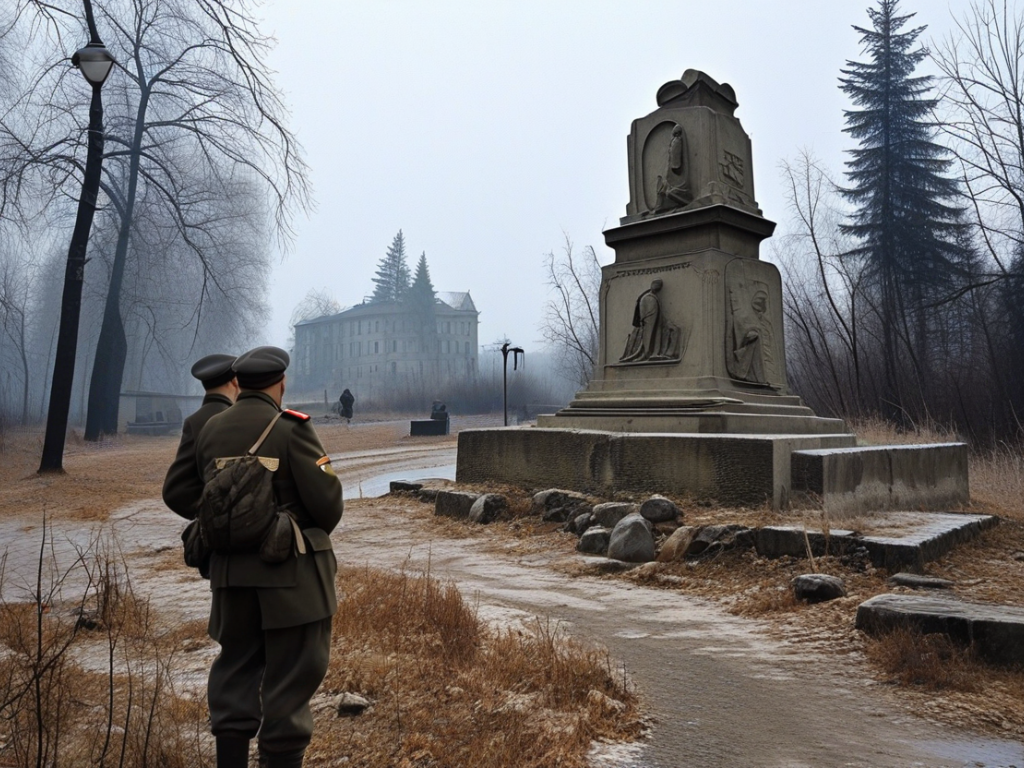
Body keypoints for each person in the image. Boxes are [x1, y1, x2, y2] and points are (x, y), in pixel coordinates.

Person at [169, 346, 343, 768]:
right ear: (280, 383)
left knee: (234, 675)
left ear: (238, 383)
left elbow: (191, 493)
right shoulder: (291, 427)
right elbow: (327, 505)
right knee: (288, 684)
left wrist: (236, 523)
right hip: (290, 584)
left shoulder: (209, 429)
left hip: (231, 580)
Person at [163, 353, 239, 518]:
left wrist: (207, 514)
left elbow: (174, 491)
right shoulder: (241, 418)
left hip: (214, 533)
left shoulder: (195, 421)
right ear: (234, 381)